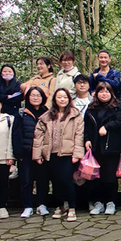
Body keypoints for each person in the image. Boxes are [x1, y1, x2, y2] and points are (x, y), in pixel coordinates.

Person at [33, 87, 84, 221]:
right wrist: (38, 155)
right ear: (55, 99)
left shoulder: (75, 115)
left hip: (68, 153)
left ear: (69, 99)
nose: (62, 99)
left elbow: (79, 135)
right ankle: (61, 205)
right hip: (51, 153)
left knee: (67, 180)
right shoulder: (46, 116)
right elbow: (38, 137)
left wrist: (77, 154)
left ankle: (71, 207)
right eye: (59, 97)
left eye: (65, 97)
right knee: (56, 182)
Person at [84, 81, 121, 215]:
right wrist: (87, 139)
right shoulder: (91, 108)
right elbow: (86, 127)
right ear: (97, 93)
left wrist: (106, 127)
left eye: (107, 91)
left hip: (111, 146)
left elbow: (120, 122)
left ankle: (111, 202)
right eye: (101, 91)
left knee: (109, 176)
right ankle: (99, 202)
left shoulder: (117, 106)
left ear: (111, 93)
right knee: (96, 177)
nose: (104, 94)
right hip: (95, 146)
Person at [12, 87, 50, 218]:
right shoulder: (22, 113)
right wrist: (18, 154)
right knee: (26, 180)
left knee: (42, 180)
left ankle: (42, 204)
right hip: (26, 152)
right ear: (28, 97)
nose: (35, 98)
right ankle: (28, 206)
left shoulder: (48, 113)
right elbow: (16, 134)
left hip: (42, 153)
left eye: (38, 95)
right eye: (33, 95)